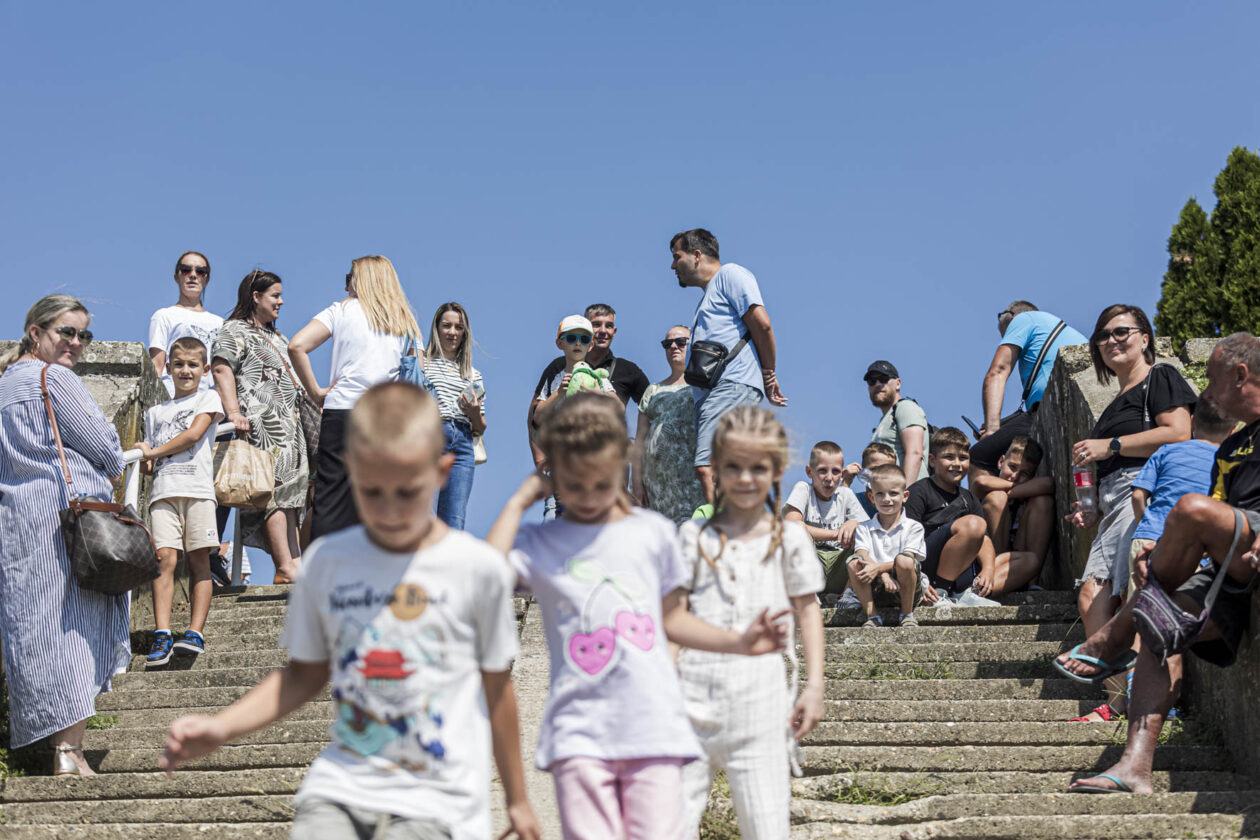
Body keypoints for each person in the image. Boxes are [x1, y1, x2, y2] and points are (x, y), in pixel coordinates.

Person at [161, 382, 540, 838]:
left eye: (407, 491)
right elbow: (303, 674)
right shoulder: (328, 562)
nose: (389, 509)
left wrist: (518, 801)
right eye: (373, 491)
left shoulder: (475, 570)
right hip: (341, 786)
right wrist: (222, 727)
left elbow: (498, 692)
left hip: (439, 800)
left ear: (440, 472)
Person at [487, 392, 790, 839]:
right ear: (551, 474)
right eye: (574, 485)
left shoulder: (653, 535)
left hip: (654, 731)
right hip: (579, 735)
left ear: (622, 467)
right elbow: (484, 578)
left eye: (600, 483)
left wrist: (739, 642)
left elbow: (674, 620)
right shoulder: (540, 543)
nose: (588, 497)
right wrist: (518, 502)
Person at [1054, 333, 1260, 794]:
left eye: (1210, 380)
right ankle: (1135, 768)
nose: (1204, 393)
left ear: (1241, 375)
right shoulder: (1232, 448)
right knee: (1155, 618)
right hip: (1224, 565)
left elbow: (1208, 512)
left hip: (1251, 544)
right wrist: (1168, 550)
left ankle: (1110, 637)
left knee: (1189, 508)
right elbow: (1219, 512)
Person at [677, 407, 825, 838]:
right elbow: (673, 617)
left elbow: (809, 609)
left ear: (777, 469)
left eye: (758, 468)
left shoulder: (791, 538)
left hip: (762, 704)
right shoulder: (694, 538)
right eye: (734, 467)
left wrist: (815, 685)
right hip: (689, 700)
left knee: (766, 827)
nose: (745, 478)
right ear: (717, 469)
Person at [0, 295, 128, 776]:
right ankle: (68, 752)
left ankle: (53, 744)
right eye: (66, 332)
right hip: (66, 521)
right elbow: (105, 448)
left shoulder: (5, 386)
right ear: (36, 332)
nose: (76, 342)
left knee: (37, 628)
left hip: (18, 523)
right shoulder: (54, 379)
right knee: (73, 627)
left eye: (84, 335)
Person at [1063, 304, 1195, 722]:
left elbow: (1179, 432)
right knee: (1093, 595)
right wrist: (1089, 505)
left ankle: (1139, 702)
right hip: (1114, 501)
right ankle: (1120, 702)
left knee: (1132, 594)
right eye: (1103, 336)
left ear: (1145, 338)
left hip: (1144, 490)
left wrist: (1111, 445)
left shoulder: (1161, 376)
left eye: (1122, 331)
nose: (1111, 341)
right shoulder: (1117, 401)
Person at [288, 256, 422, 541]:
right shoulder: (404, 320)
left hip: (341, 410)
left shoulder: (340, 310)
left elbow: (296, 345)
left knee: (330, 496)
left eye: (350, 275)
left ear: (361, 279)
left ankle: (324, 574)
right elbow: (417, 377)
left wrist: (315, 392)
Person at [671, 229, 786, 504]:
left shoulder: (730, 275)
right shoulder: (708, 295)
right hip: (717, 392)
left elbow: (762, 324)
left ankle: (722, 532)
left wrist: (769, 374)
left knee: (708, 466)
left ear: (697, 255)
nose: (673, 266)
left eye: (677, 257)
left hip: (730, 387)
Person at [212, 270, 308, 585]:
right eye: (275, 295)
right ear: (256, 296)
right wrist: (233, 412)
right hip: (260, 425)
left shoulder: (278, 337)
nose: (281, 301)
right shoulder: (235, 330)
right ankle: (284, 565)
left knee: (291, 497)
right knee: (273, 494)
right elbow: (222, 367)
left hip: (289, 428)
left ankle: (295, 562)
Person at [138, 336, 224, 666]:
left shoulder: (208, 398)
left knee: (200, 560)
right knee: (164, 560)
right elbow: (150, 465)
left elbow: (192, 435)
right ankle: (162, 633)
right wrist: (145, 455)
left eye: (192, 365)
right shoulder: (155, 412)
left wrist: (154, 451)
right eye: (178, 365)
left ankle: (194, 632)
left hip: (198, 490)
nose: (185, 370)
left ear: (203, 370)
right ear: (169, 369)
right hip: (164, 491)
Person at [905, 427, 1039, 603]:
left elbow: (984, 540)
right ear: (932, 460)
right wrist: (917, 581)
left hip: (964, 572)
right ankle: (941, 591)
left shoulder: (968, 497)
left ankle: (970, 594)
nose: (957, 464)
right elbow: (905, 540)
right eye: (949, 457)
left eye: (963, 458)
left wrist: (989, 570)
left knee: (1030, 561)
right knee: (973, 524)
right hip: (929, 569)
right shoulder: (919, 491)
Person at [969, 301, 1087, 484]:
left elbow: (998, 371)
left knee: (979, 457)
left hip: (1048, 409)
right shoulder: (1054, 329)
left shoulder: (1024, 319)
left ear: (1011, 316)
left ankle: (981, 510)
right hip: (1061, 407)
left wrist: (991, 431)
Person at [1128, 396, 1236, 595]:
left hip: (1148, 540)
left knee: (1142, 611)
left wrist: (1148, 524)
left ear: (1193, 421)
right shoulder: (1228, 463)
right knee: (1181, 613)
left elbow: (1137, 497)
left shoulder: (1167, 450)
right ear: (1233, 431)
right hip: (1194, 549)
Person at [529, 315, 617, 521]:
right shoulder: (554, 378)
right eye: (571, 338)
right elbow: (537, 417)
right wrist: (558, 393)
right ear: (560, 343)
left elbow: (618, 410)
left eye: (584, 339)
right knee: (554, 521)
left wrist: (598, 395)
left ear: (591, 345)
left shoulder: (598, 376)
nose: (578, 343)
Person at [420, 302, 486, 530]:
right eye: (446, 326)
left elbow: (481, 427)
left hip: (463, 442)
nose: (452, 332)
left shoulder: (473, 374)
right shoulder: (423, 364)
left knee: (455, 520)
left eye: (458, 327)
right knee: (424, 513)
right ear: (436, 329)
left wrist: (474, 413)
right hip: (431, 436)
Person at [633, 325, 705, 523]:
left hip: (693, 485)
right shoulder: (653, 390)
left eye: (681, 342)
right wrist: (636, 484)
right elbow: (639, 441)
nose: (674, 346)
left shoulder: (704, 386)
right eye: (668, 343)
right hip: (657, 489)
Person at [847, 464, 927, 627]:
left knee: (903, 561)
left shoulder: (913, 527)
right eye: (880, 494)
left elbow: (909, 559)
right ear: (871, 498)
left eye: (893, 493)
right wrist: (882, 574)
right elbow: (862, 554)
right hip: (876, 585)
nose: (886, 499)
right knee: (854, 562)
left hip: (907, 588)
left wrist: (878, 568)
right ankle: (872, 617)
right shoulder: (864, 528)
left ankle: (907, 614)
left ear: (905, 496)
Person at [782, 441, 866, 595]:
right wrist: (836, 534)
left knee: (863, 536)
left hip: (840, 566)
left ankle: (848, 594)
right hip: (813, 562)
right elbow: (791, 523)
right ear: (809, 471)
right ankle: (806, 594)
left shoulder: (845, 494)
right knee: (796, 532)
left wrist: (853, 523)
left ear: (841, 474)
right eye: (822, 471)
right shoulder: (804, 489)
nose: (829, 478)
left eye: (835, 471)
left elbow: (868, 530)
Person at [147, 251, 224, 396]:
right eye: (186, 270)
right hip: (172, 398)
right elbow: (156, 366)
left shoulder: (221, 323)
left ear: (207, 279)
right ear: (177, 276)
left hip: (209, 405)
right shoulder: (164, 316)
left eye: (201, 271)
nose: (193, 275)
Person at [975, 436, 1055, 569]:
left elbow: (1048, 484)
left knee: (1043, 501)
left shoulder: (1025, 498)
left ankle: (1031, 583)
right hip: (986, 562)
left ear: (1032, 477)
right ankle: (995, 570)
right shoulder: (987, 488)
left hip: (1020, 561)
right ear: (1001, 462)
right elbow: (980, 482)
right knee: (997, 497)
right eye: (1012, 467)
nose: (1015, 476)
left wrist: (1010, 494)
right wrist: (1007, 494)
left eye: (1024, 474)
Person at [864, 360, 930, 484]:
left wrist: (904, 495)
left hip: (909, 495)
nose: (878, 384)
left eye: (884, 379)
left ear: (898, 383)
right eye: (872, 381)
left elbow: (915, 453)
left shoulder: (905, 407)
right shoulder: (884, 421)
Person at [854, 442, 897, 518]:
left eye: (888, 470)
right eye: (875, 469)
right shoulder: (854, 500)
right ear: (863, 472)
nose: (881, 475)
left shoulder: (898, 501)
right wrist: (846, 482)